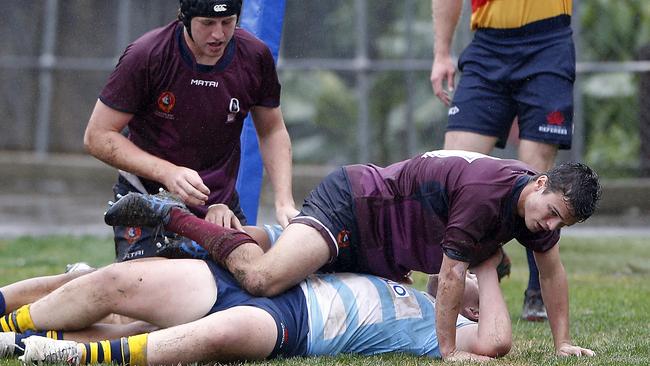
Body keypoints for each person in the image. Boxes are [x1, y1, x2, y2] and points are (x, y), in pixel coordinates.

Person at [103, 149, 601, 360]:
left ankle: (195, 248)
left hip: (384, 252)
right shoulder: (487, 196)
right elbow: (450, 277)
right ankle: (171, 216)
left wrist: (562, 342)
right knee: (263, 281)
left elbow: (551, 273)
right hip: (357, 207)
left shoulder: (532, 210)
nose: (550, 227)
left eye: (562, 224)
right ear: (538, 183)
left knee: (272, 256)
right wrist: (447, 352)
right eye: (552, 213)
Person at [0, 253, 511, 364]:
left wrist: (488, 268)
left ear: (475, 306)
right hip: (264, 279)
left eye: (465, 274)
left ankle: (60, 354)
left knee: (215, 335)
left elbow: (496, 345)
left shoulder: (440, 334)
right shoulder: (398, 270)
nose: (453, 270)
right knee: (114, 281)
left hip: (291, 324)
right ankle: (9, 326)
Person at [82, 0, 297, 262]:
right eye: (207, 23)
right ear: (185, 18)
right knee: (145, 293)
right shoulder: (148, 54)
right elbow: (98, 136)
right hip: (147, 198)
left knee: (241, 290)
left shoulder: (254, 56)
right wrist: (168, 172)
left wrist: (284, 201)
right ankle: (81, 278)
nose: (218, 34)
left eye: (227, 22)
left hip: (219, 207)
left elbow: (272, 130)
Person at [430, 0, 576, 323]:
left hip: (548, 41)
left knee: (538, 174)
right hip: (488, 45)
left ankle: (537, 291)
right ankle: (453, 274)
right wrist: (441, 53)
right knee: (451, 165)